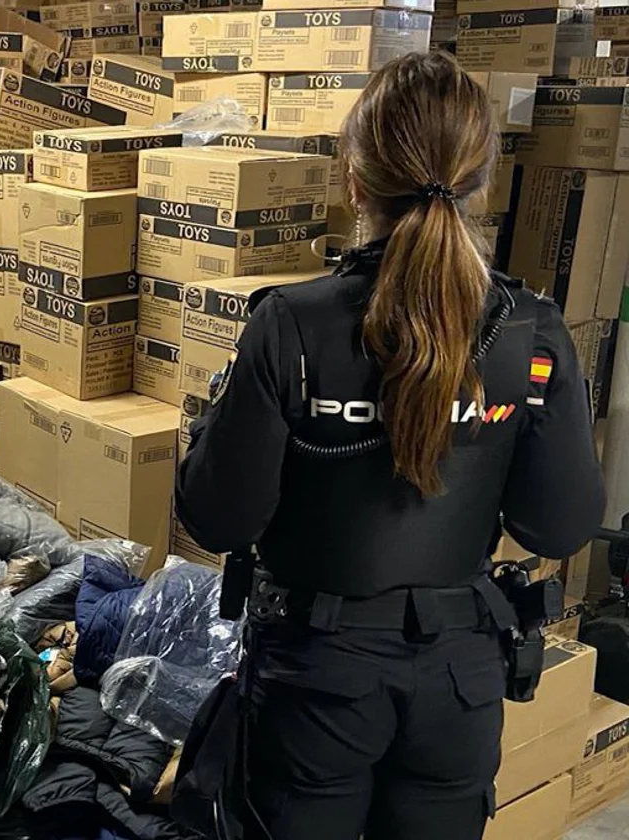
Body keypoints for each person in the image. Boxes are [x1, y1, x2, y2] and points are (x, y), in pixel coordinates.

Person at [175, 52, 605, 840]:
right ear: (481, 182)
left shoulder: (291, 325)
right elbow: (559, 525)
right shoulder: (531, 333)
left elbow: (219, 518)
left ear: (354, 181)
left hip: (316, 681)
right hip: (458, 683)